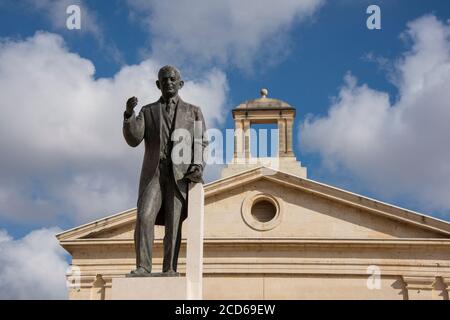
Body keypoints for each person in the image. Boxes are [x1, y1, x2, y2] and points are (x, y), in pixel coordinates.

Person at [123, 65, 207, 277]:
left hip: (180, 175)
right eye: (164, 80)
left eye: (172, 79)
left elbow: (200, 141)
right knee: (144, 217)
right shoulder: (148, 111)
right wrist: (128, 115)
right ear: (158, 85)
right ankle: (143, 266)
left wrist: (197, 165)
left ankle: (170, 268)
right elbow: (134, 139)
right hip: (154, 172)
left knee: (174, 224)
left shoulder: (193, 111)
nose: (168, 83)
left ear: (180, 84)